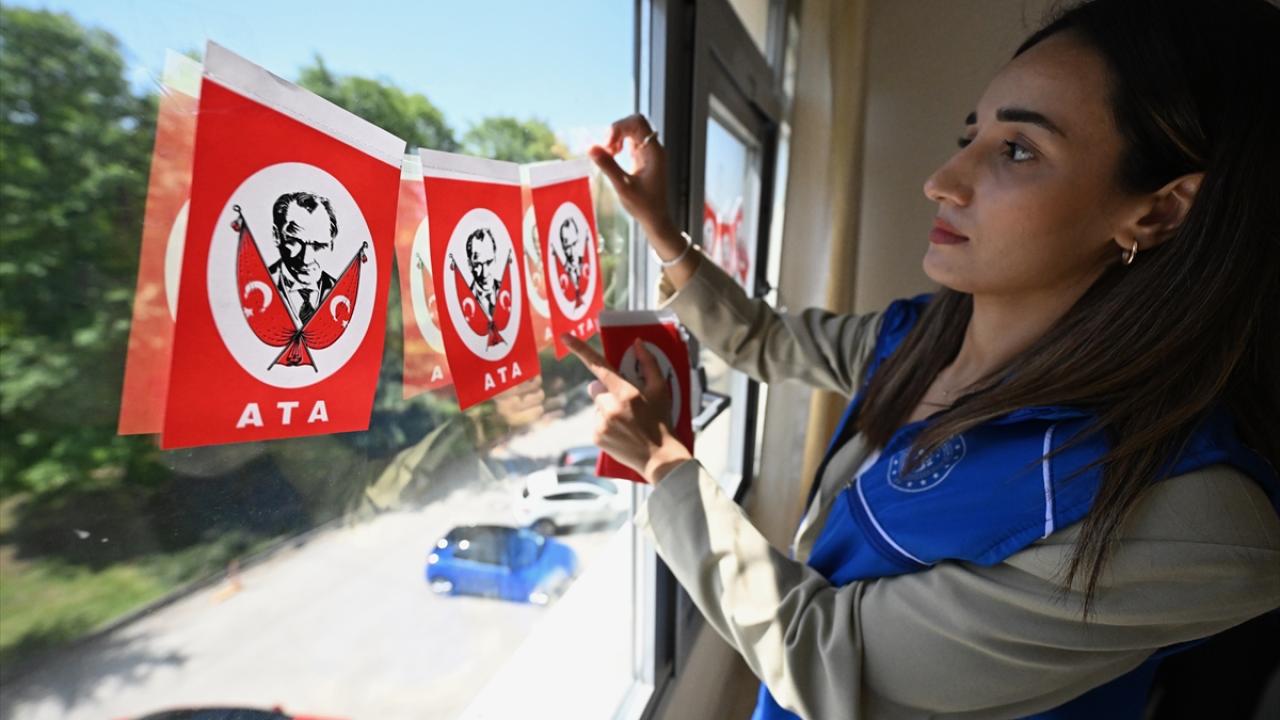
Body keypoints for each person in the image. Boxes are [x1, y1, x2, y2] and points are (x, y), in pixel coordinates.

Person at [563, 0, 1280, 717]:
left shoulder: (1184, 511)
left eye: (1018, 150)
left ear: (1158, 211)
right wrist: (661, 229)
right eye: (970, 136)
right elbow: (768, 342)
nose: (941, 180)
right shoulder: (919, 338)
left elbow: (830, 655)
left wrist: (662, 464)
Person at [268, 191, 338, 325]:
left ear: (331, 244)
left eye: (319, 245)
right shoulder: (259, 286)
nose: (307, 259)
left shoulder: (343, 295)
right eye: (295, 242)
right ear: (276, 235)